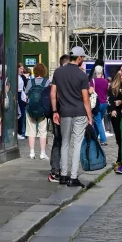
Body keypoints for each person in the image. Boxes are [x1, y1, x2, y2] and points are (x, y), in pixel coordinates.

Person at [50, 47, 93, 187]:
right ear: (79, 58)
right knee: (77, 144)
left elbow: (53, 94)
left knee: (65, 143)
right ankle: (73, 177)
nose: (83, 60)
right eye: (83, 58)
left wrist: (55, 111)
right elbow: (86, 99)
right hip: (79, 112)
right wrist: (90, 117)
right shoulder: (82, 75)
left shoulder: (58, 72)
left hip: (64, 111)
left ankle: (63, 175)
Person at [48, 54, 69, 183]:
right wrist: (55, 111)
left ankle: (58, 169)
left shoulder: (59, 75)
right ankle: (55, 170)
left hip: (61, 112)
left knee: (61, 141)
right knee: (59, 141)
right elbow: (53, 94)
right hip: (61, 112)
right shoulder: (60, 75)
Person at [25, 63, 49, 160]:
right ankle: (42, 153)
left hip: (31, 109)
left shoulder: (30, 82)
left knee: (31, 131)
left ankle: (32, 152)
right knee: (43, 131)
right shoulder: (47, 82)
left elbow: (26, 93)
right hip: (43, 110)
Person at [89, 65, 109, 146]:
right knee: (99, 121)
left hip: (97, 103)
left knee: (98, 122)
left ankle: (103, 139)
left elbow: (90, 92)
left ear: (95, 72)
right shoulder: (106, 81)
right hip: (104, 103)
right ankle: (94, 137)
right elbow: (106, 91)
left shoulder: (93, 81)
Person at [17, 64, 26, 140]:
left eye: (22, 69)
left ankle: (20, 132)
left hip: (21, 96)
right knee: (20, 114)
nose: (22, 70)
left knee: (22, 114)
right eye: (20, 68)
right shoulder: (15, 77)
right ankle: (18, 132)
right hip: (17, 95)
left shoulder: (20, 77)